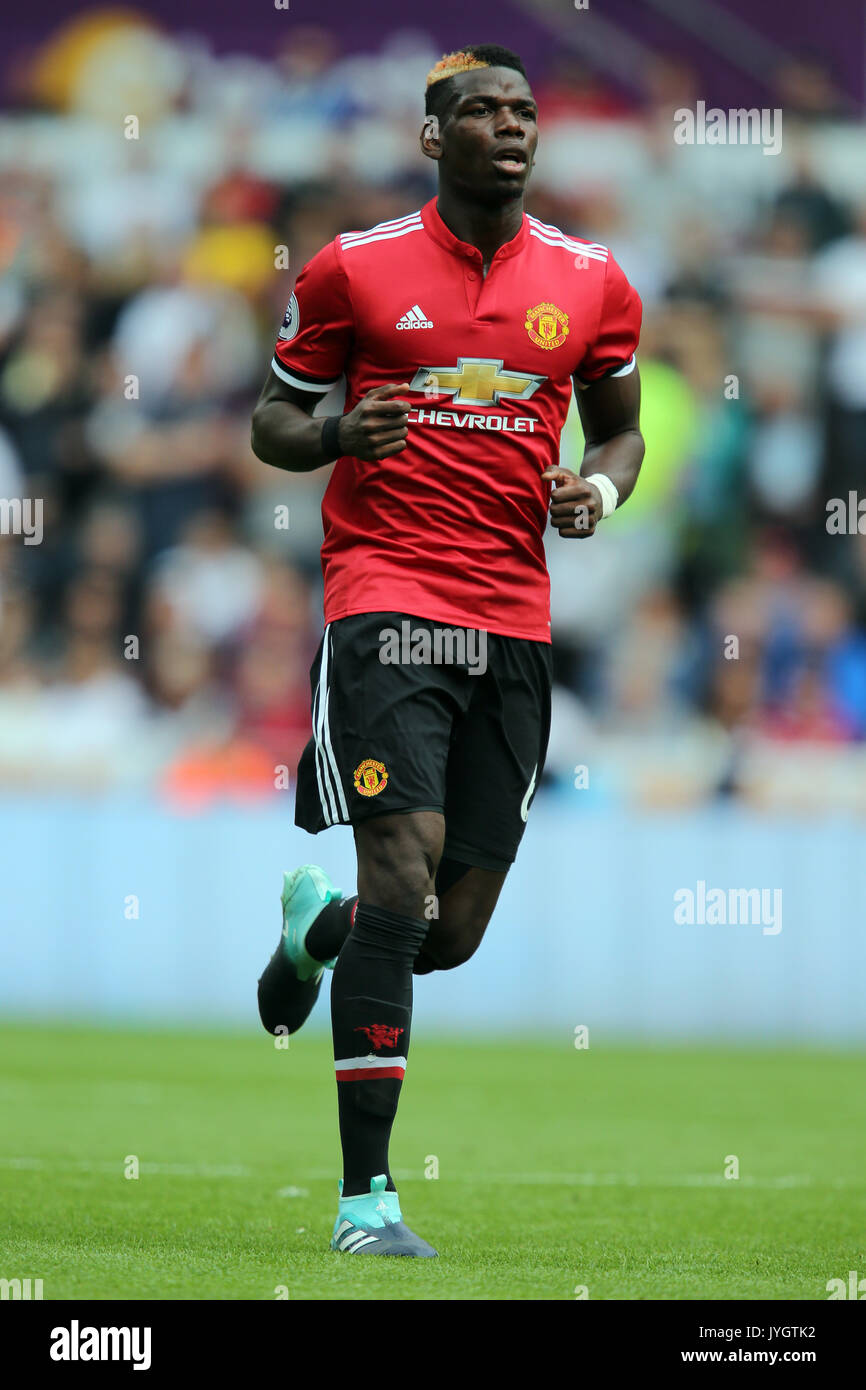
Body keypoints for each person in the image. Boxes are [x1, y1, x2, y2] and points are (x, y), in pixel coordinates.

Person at [250, 42, 644, 1257]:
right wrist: (331, 434)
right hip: (386, 600)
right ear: (434, 138)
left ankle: (320, 930)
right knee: (404, 871)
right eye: (480, 111)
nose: (509, 126)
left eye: (522, 111)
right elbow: (269, 418)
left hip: (514, 620)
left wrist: (599, 492)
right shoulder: (353, 269)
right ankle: (366, 1203)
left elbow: (619, 433)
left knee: (448, 929)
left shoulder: (590, 281)